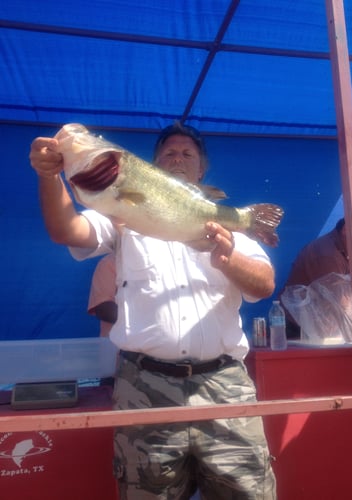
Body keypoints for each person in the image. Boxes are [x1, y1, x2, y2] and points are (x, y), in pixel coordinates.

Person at [30, 122, 277, 499]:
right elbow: (67, 230)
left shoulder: (232, 231)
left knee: (249, 491)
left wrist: (227, 259)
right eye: (168, 154)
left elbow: (264, 284)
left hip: (225, 386)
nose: (177, 158)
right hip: (143, 385)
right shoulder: (122, 215)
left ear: (201, 171)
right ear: (154, 166)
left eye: (187, 153)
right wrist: (49, 176)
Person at [281, 205, 352, 338]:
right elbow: (340, 305)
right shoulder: (327, 255)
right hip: (298, 331)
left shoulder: (345, 250)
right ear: (347, 230)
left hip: (317, 328)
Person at [88, 252, 118, 337]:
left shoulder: (158, 262)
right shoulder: (110, 262)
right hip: (117, 346)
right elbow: (104, 310)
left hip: (157, 343)